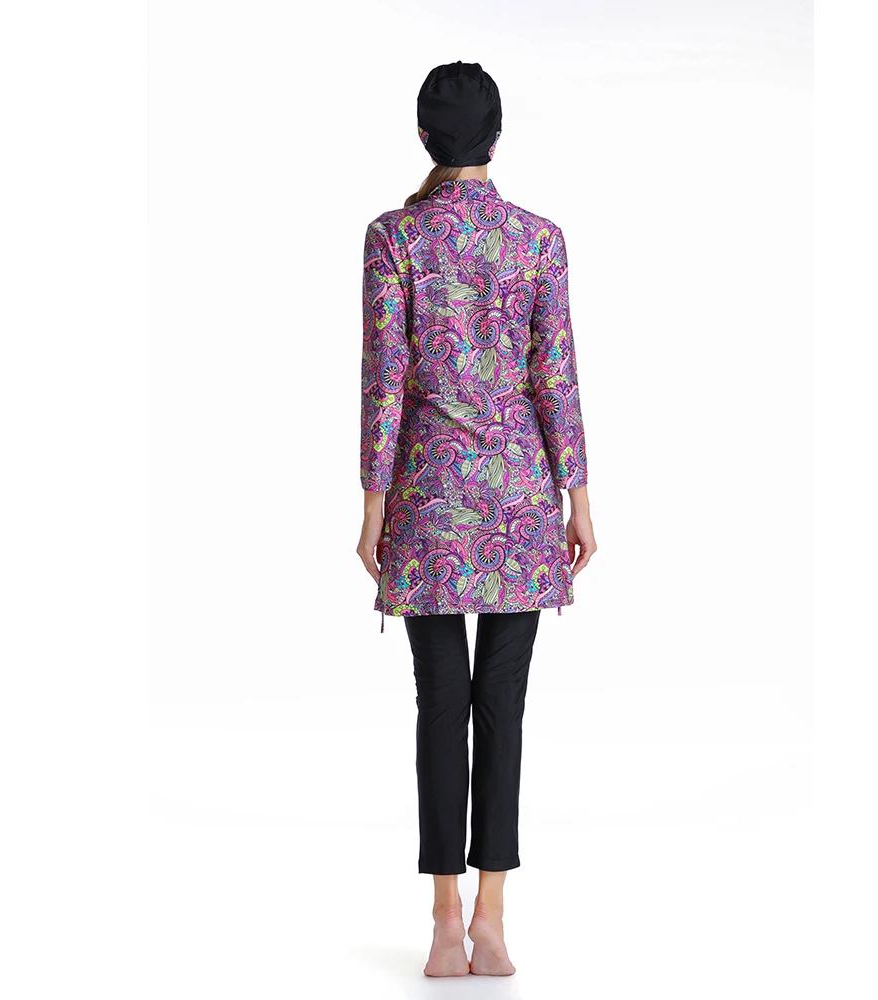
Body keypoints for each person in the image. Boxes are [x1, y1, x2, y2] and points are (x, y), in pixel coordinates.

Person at [356, 60, 597, 977]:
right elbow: (555, 376)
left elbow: (386, 381)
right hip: (522, 501)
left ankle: (445, 920)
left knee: (439, 703)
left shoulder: (393, 237)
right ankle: (493, 919)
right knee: (503, 704)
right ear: (496, 138)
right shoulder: (539, 240)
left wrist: (372, 503)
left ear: (424, 136)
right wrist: (579, 497)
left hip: (426, 501)